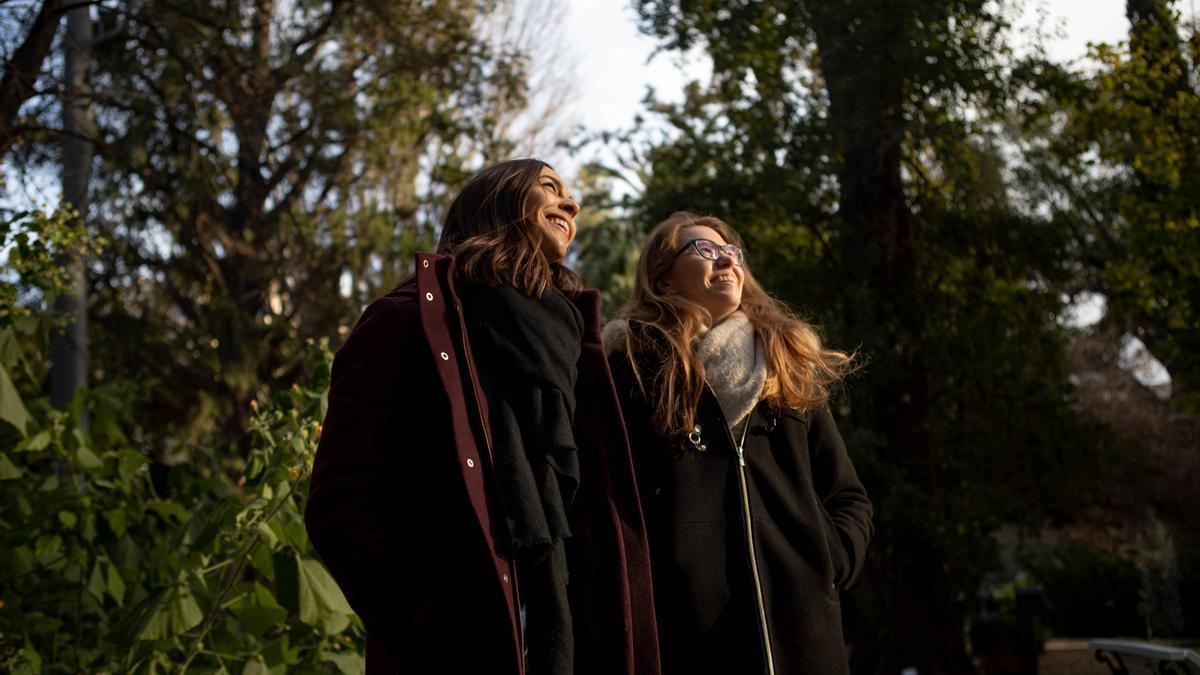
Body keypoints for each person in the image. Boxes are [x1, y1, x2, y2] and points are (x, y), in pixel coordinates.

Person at [305, 159, 659, 675]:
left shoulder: (570, 344)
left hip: (562, 642)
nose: (571, 204)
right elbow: (341, 508)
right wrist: (429, 631)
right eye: (549, 187)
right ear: (498, 199)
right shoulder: (405, 322)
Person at [603, 212, 873, 675]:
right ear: (663, 278)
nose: (725, 259)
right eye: (705, 250)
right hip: (690, 645)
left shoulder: (787, 364)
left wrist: (826, 558)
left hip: (806, 647)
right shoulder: (634, 370)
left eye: (731, 252)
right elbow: (614, 502)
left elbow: (847, 496)